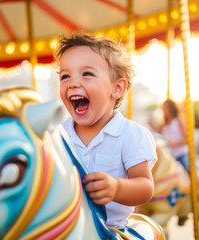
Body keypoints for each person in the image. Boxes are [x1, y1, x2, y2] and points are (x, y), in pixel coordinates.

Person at [54, 32, 157, 230]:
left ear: (117, 88)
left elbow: (145, 187)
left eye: (87, 74)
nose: (73, 83)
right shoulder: (57, 136)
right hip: (66, 229)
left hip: (111, 230)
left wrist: (117, 187)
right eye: (65, 76)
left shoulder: (130, 135)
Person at [156, 99, 189, 171]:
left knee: (187, 169)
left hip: (180, 154)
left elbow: (187, 140)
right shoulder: (163, 124)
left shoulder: (178, 121)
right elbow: (156, 136)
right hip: (169, 155)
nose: (163, 110)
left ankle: (196, 181)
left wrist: (174, 143)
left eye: (165, 108)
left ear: (171, 108)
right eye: (162, 108)